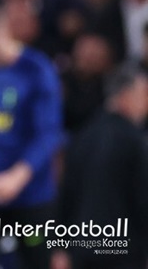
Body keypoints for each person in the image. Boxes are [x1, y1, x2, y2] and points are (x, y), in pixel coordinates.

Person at [0, 4, 64, 269]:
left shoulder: (36, 69)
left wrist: (17, 176)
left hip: (31, 196)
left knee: (38, 260)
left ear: (4, 32)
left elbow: (49, 133)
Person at [51, 63, 148, 269]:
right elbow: (142, 198)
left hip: (83, 247)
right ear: (125, 94)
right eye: (144, 95)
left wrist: (60, 246)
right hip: (126, 250)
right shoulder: (136, 141)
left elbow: (66, 194)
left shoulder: (82, 135)